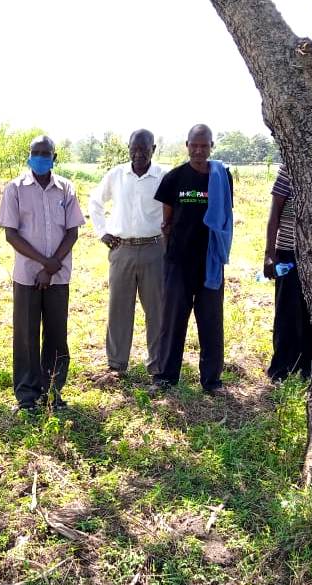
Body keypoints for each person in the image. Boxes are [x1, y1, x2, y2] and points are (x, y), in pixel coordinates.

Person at [0, 135, 86, 411]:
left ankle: (52, 392)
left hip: (58, 276)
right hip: (27, 276)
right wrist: (45, 263)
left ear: (54, 158)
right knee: (26, 335)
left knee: (57, 335)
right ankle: (27, 396)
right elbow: (11, 234)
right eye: (35, 153)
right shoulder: (15, 189)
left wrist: (52, 265)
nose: (40, 158)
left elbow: (72, 232)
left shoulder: (66, 189)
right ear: (29, 156)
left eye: (46, 153)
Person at [153, 124, 234, 395]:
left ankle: (212, 381)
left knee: (211, 322)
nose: (199, 151)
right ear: (187, 146)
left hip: (211, 261)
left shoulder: (222, 177)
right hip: (179, 262)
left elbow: (225, 215)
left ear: (212, 146)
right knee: (172, 321)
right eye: (194, 145)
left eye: (204, 146)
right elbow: (167, 222)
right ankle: (165, 378)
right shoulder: (174, 178)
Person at [89, 129, 166, 379]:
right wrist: (102, 232)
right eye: (134, 149)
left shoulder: (163, 176)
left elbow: (174, 210)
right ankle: (116, 364)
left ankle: (158, 366)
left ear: (153, 149)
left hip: (155, 250)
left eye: (144, 149)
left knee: (156, 310)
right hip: (121, 249)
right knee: (119, 309)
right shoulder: (117, 175)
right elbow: (95, 201)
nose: (139, 154)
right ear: (129, 148)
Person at [263, 165, 312, 381]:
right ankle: (281, 368)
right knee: (287, 310)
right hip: (288, 251)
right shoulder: (289, 168)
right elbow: (275, 211)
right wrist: (269, 254)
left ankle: (308, 366)